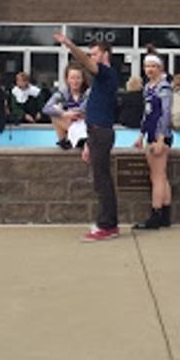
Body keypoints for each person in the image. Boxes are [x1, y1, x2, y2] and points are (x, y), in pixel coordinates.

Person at [55, 31, 120, 242]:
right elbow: (98, 109)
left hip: (101, 132)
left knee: (102, 181)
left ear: (105, 55)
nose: (91, 57)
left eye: (94, 54)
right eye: (90, 54)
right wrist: (87, 144)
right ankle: (107, 223)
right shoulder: (101, 81)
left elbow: (83, 61)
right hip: (95, 132)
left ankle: (107, 225)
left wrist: (68, 43)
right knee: (100, 180)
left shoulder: (107, 74)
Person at [133, 53, 173, 230]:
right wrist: (141, 135)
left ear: (160, 68)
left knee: (156, 177)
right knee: (161, 176)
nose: (149, 69)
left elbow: (164, 113)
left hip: (159, 135)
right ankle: (165, 214)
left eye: (153, 66)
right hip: (150, 134)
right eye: (146, 66)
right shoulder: (148, 87)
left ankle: (155, 216)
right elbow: (147, 114)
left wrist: (160, 139)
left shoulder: (164, 87)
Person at [43, 64, 89, 149]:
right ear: (67, 79)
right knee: (55, 111)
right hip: (69, 124)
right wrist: (64, 114)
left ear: (83, 79)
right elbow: (46, 108)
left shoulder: (88, 93)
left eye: (78, 78)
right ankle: (65, 140)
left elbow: (84, 108)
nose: (75, 81)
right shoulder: (62, 93)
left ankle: (76, 139)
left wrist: (74, 114)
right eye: (72, 78)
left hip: (84, 124)